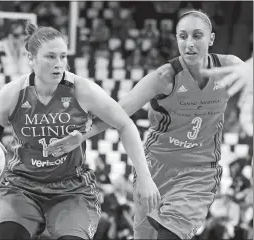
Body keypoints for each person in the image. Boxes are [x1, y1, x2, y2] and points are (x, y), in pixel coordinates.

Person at [46, 10, 246, 240]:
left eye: (197, 35)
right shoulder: (164, 77)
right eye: (183, 36)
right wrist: (81, 135)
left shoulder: (230, 66)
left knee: (170, 234)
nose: (189, 43)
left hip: (199, 172)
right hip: (155, 168)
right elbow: (118, 113)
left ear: (211, 39)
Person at [0, 22, 160, 240]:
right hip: (22, 186)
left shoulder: (82, 90)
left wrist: (144, 178)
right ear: (31, 59)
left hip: (71, 190)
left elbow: (125, 124)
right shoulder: (12, 93)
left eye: (63, 56)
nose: (59, 64)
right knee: (8, 235)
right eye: (50, 57)